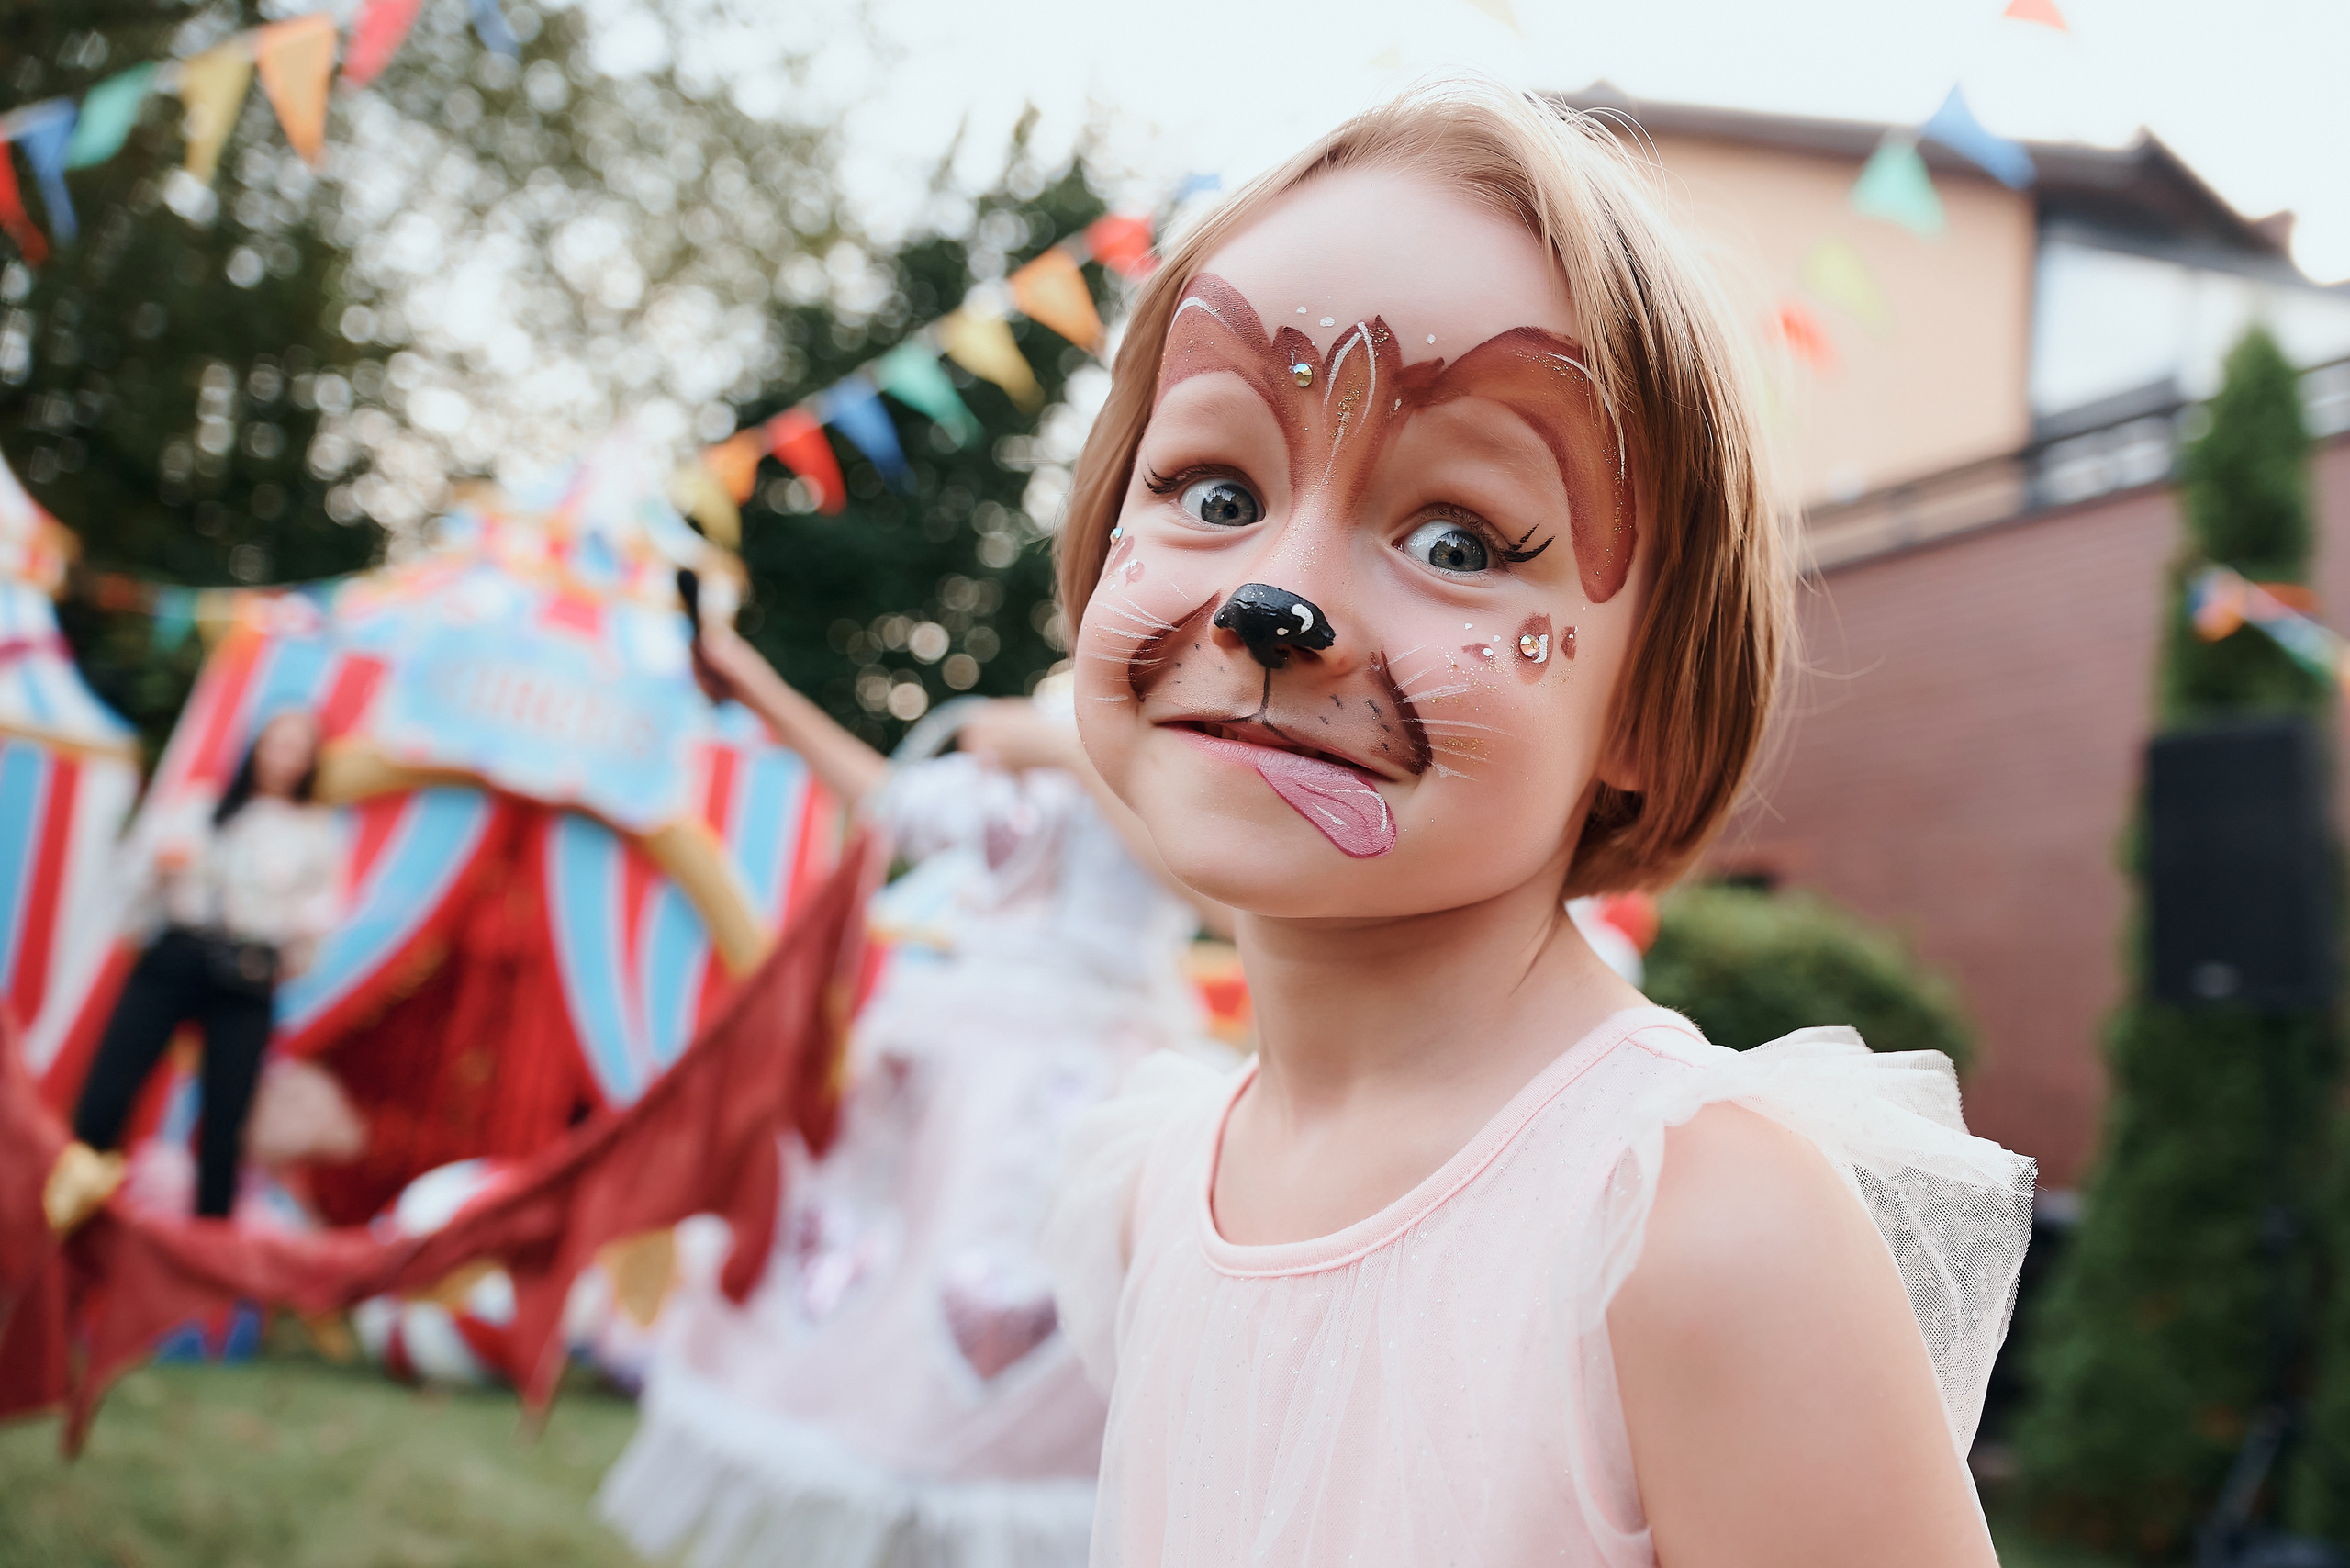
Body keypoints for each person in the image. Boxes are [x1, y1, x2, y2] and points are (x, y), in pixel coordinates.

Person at [1037, 79, 2035, 1568]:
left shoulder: (1699, 1234)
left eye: (1458, 540)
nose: (1273, 600)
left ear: (1649, 699)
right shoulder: (1156, 1187)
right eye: (1213, 486)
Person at [598, 624, 1225, 1565]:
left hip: (1072, 1087)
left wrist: (1066, 753)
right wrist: (756, 682)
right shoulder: (1033, 731)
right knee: (873, 1336)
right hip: (939, 1068)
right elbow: (887, 799)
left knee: (1018, 1332)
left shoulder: (1193, 743)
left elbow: (1214, 884)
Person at [63, 710, 343, 1222]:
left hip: (246, 976)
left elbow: (316, 930)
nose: (282, 756)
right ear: (255, 745)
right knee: (106, 1094)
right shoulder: (201, 807)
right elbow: (135, 878)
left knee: (226, 1124)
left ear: (310, 762)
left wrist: (279, 928)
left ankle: (203, 1249)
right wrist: (160, 865)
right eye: (274, 742)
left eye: (296, 748)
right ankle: (69, 1211)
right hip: (177, 956)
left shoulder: (313, 835)